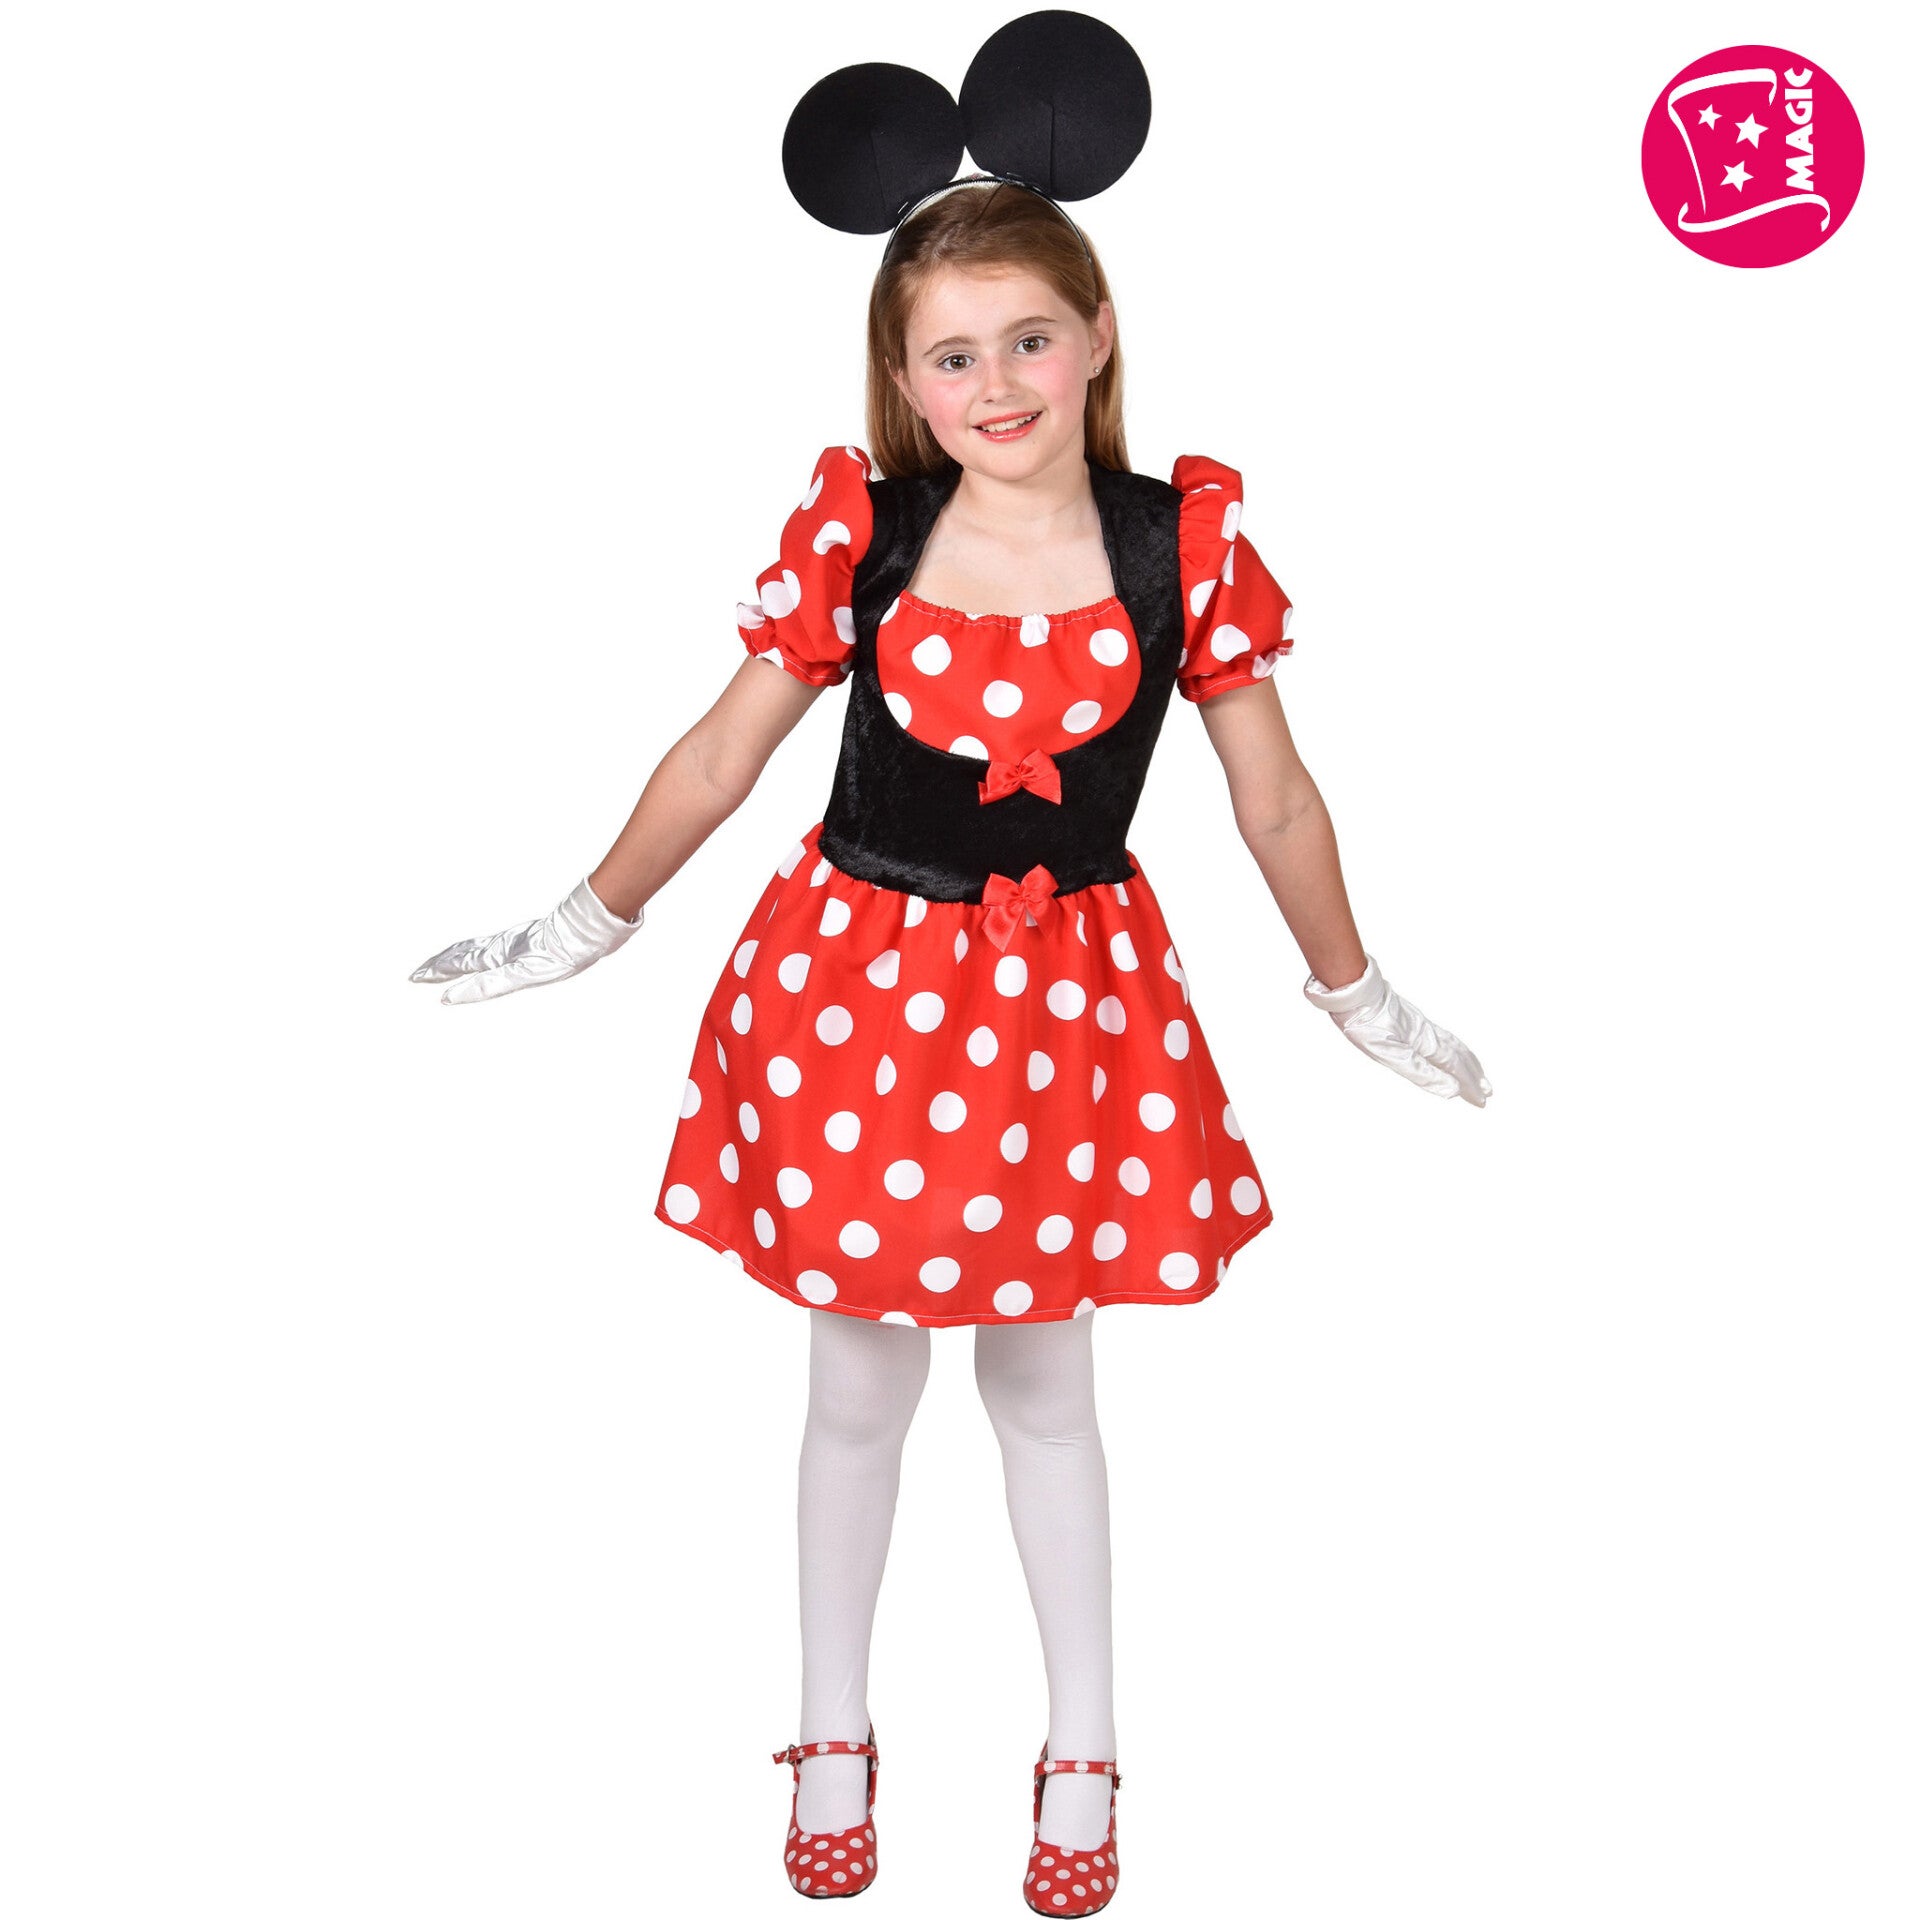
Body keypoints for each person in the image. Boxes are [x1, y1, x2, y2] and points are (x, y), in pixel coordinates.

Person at [411, 22, 1489, 1915]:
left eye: (1031, 339)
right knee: (856, 1386)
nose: (998, 383)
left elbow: (1276, 799)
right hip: (855, 1001)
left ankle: (1085, 1745)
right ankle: (831, 1727)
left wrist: (1355, 989)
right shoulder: (865, 534)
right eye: (954, 354)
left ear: (1099, 337)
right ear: (902, 377)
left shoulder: (1181, 548)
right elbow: (724, 754)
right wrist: (585, 917)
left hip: (1067, 1016)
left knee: (1047, 1387)